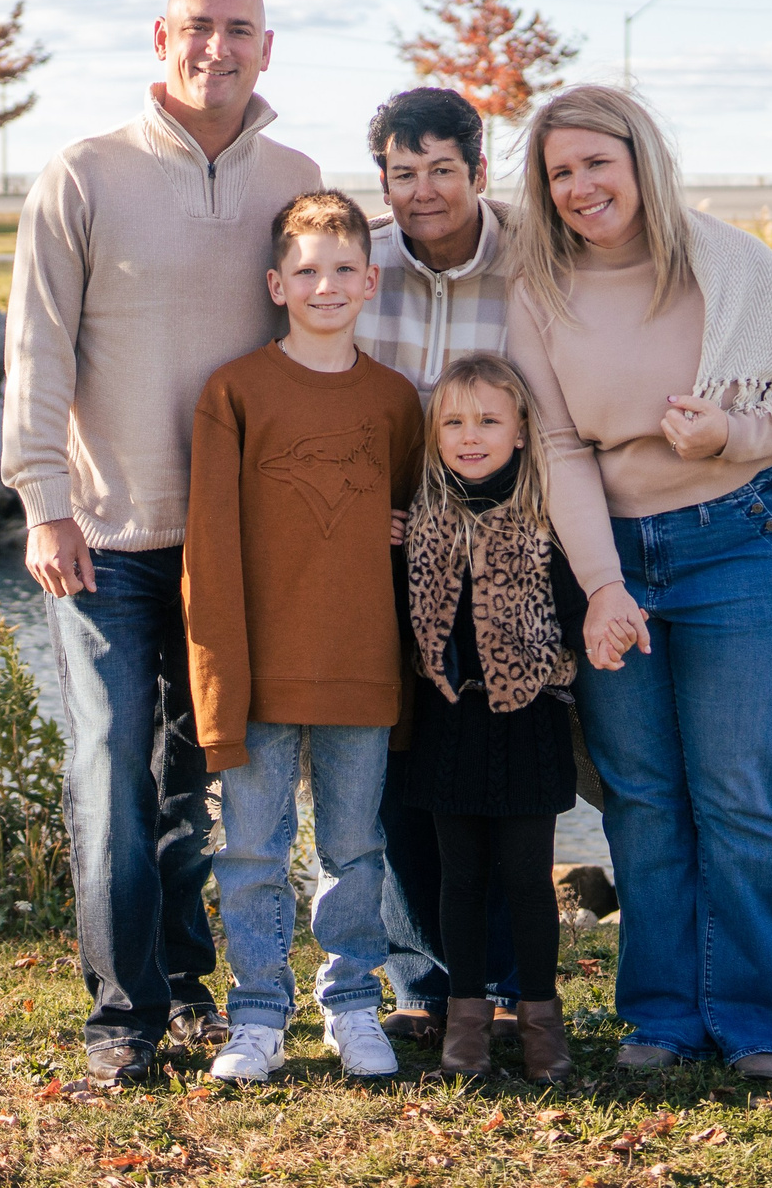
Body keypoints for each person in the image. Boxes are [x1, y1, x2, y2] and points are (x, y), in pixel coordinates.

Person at [505, 83, 772, 1081]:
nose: (583, 186)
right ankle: (663, 1017)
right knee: (640, 797)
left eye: (598, 162)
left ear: (639, 161)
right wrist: (598, 586)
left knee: (734, 791)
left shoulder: (726, 267)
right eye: (561, 172)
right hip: (614, 557)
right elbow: (557, 448)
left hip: (738, 543)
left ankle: (758, 1018)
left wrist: (732, 432)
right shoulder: (541, 293)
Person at [2, 0, 323, 1089]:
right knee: (110, 773)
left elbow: (320, 345)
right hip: (102, 533)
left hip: (238, 542)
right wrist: (43, 501)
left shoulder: (296, 178)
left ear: (266, 49)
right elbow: (37, 351)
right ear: (160, 37)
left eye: (240, 31)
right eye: (199, 28)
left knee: (199, 773)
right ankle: (122, 1017)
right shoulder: (82, 174)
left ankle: (186, 980)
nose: (217, 49)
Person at [183, 191, 425, 1082]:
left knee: (355, 848)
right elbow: (208, 549)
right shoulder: (235, 392)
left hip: (361, 665)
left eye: (343, 269)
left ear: (369, 280)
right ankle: (255, 1016)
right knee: (250, 848)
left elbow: (407, 521)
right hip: (261, 667)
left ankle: (353, 1004)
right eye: (307, 270)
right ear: (277, 283)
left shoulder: (396, 401)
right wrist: (220, 684)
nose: (326, 285)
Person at [353, 86, 522, 1043]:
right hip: (382, 553)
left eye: (441, 171)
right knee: (393, 773)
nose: (422, 192)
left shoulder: (532, 262)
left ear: (478, 169)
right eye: (402, 173)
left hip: (501, 556)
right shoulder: (359, 266)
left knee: (493, 770)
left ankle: (498, 981)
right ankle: (420, 984)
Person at [399, 352, 584, 1083]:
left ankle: (541, 1020)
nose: (469, 435)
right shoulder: (421, 522)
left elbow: (577, 614)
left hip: (528, 721)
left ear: (519, 429)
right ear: (434, 432)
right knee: (460, 878)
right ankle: (464, 1026)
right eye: (453, 421)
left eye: (487, 420)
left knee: (527, 877)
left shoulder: (546, 518)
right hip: (449, 725)